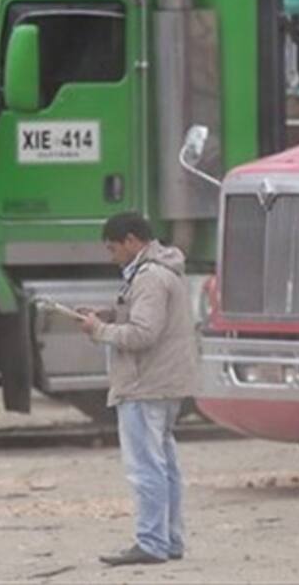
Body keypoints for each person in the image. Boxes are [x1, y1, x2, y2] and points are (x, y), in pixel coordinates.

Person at [80, 212, 196, 566]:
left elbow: (143, 334)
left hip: (144, 383)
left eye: (113, 248)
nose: (111, 256)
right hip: (165, 383)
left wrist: (100, 331)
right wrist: (109, 314)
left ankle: (151, 542)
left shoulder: (148, 278)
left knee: (145, 467)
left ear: (131, 241)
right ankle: (169, 539)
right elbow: (145, 319)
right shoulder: (163, 271)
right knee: (165, 466)